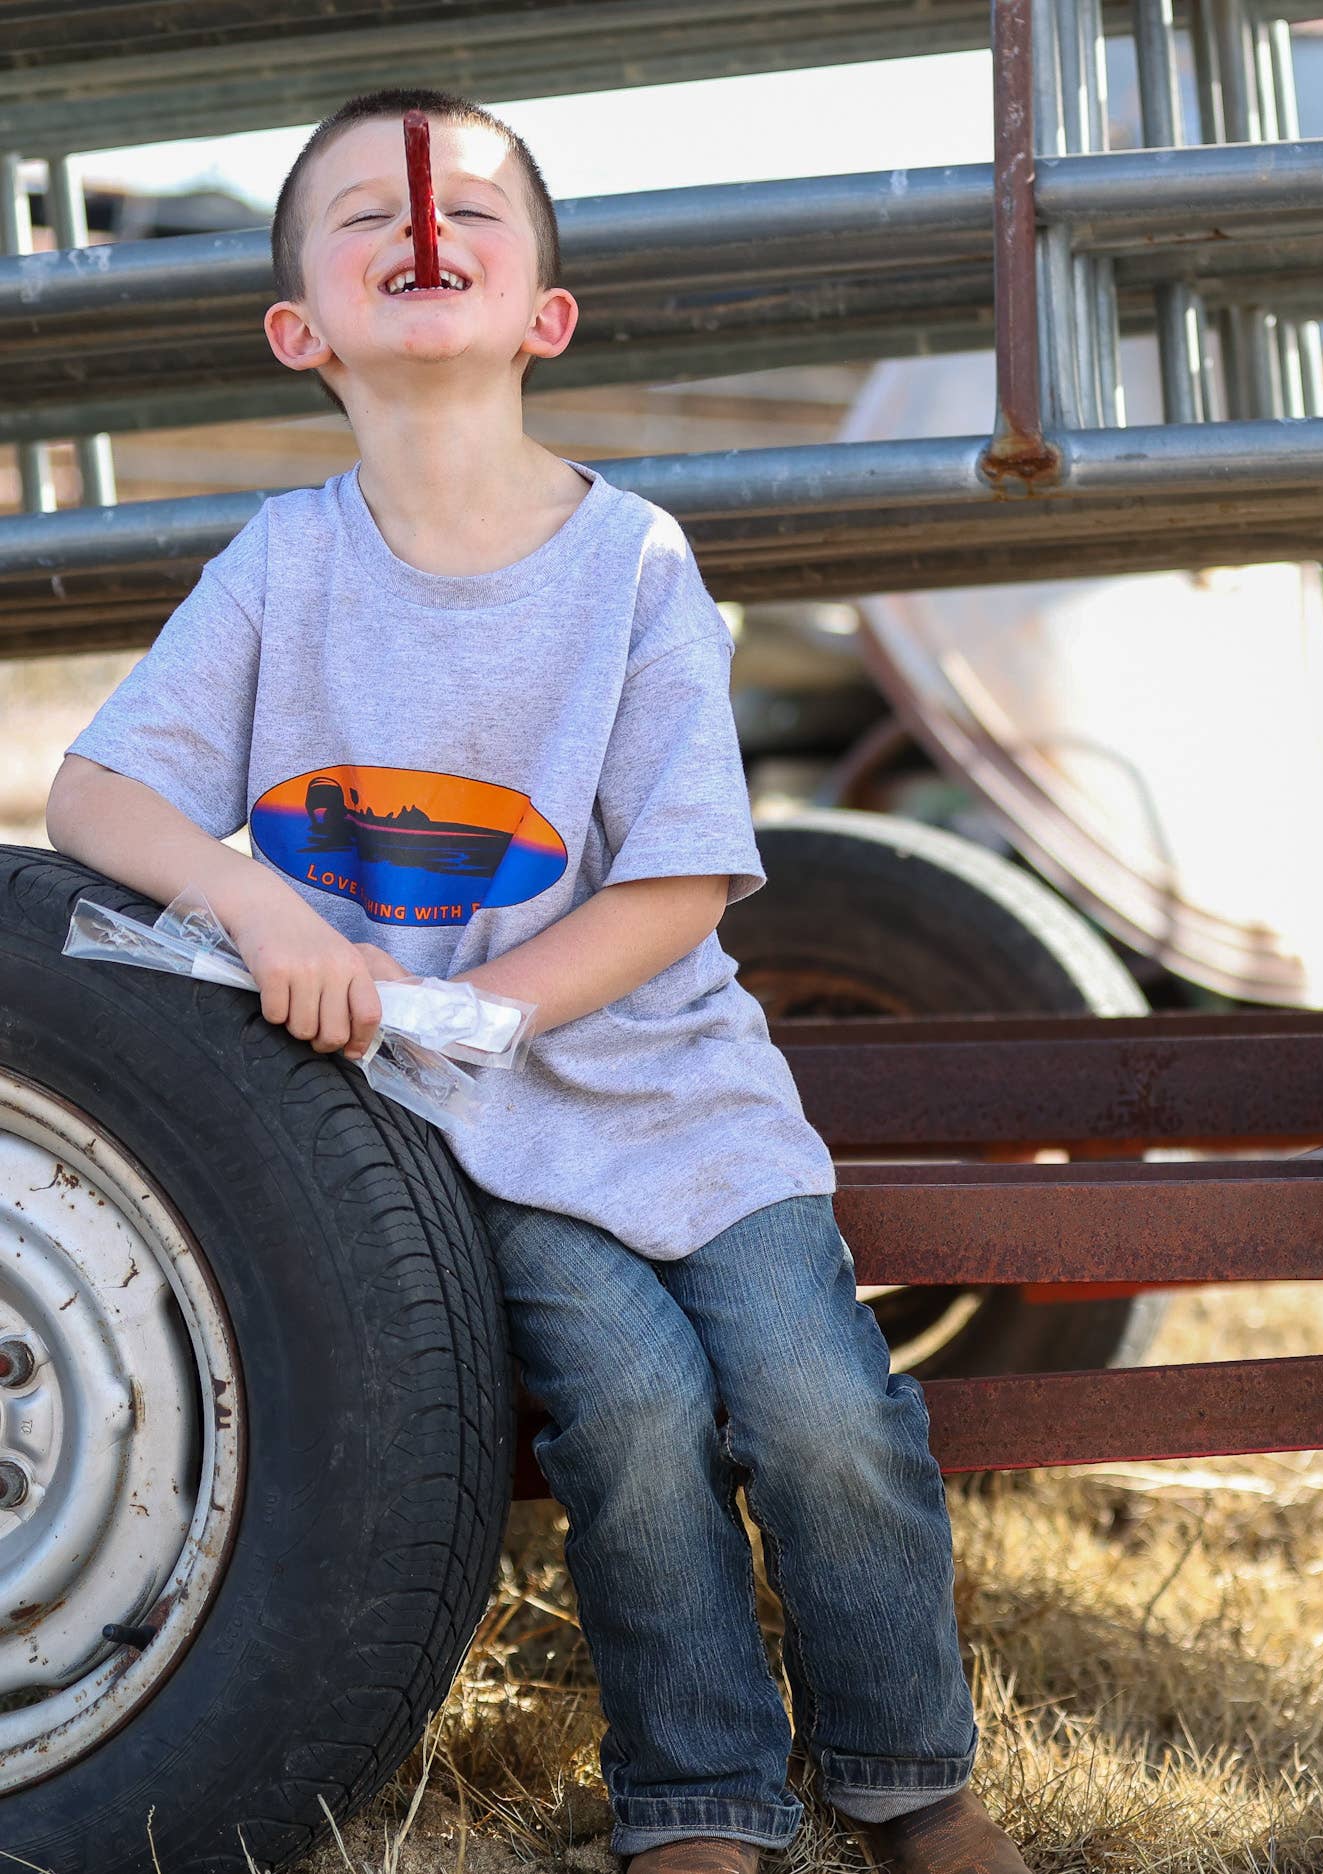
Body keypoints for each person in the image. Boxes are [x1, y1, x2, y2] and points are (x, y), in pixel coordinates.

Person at [44, 89, 1026, 1874]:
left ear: (545, 318)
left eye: (473, 209)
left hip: (673, 1100)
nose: (422, 222)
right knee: (636, 1420)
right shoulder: (283, 565)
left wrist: (495, 1010)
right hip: (462, 1144)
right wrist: (261, 908)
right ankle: (705, 1800)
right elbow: (93, 793)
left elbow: (679, 879)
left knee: (821, 1411)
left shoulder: (630, 560)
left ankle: (911, 1777)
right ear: (302, 331)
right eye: (363, 214)